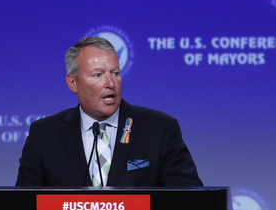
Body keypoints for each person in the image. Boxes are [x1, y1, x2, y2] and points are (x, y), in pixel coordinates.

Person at [15, 36, 203, 187]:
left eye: (115, 73)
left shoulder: (159, 130)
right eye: (98, 75)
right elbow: (22, 209)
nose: (110, 83)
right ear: (73, 83)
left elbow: (192, 202)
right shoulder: (45, 135)